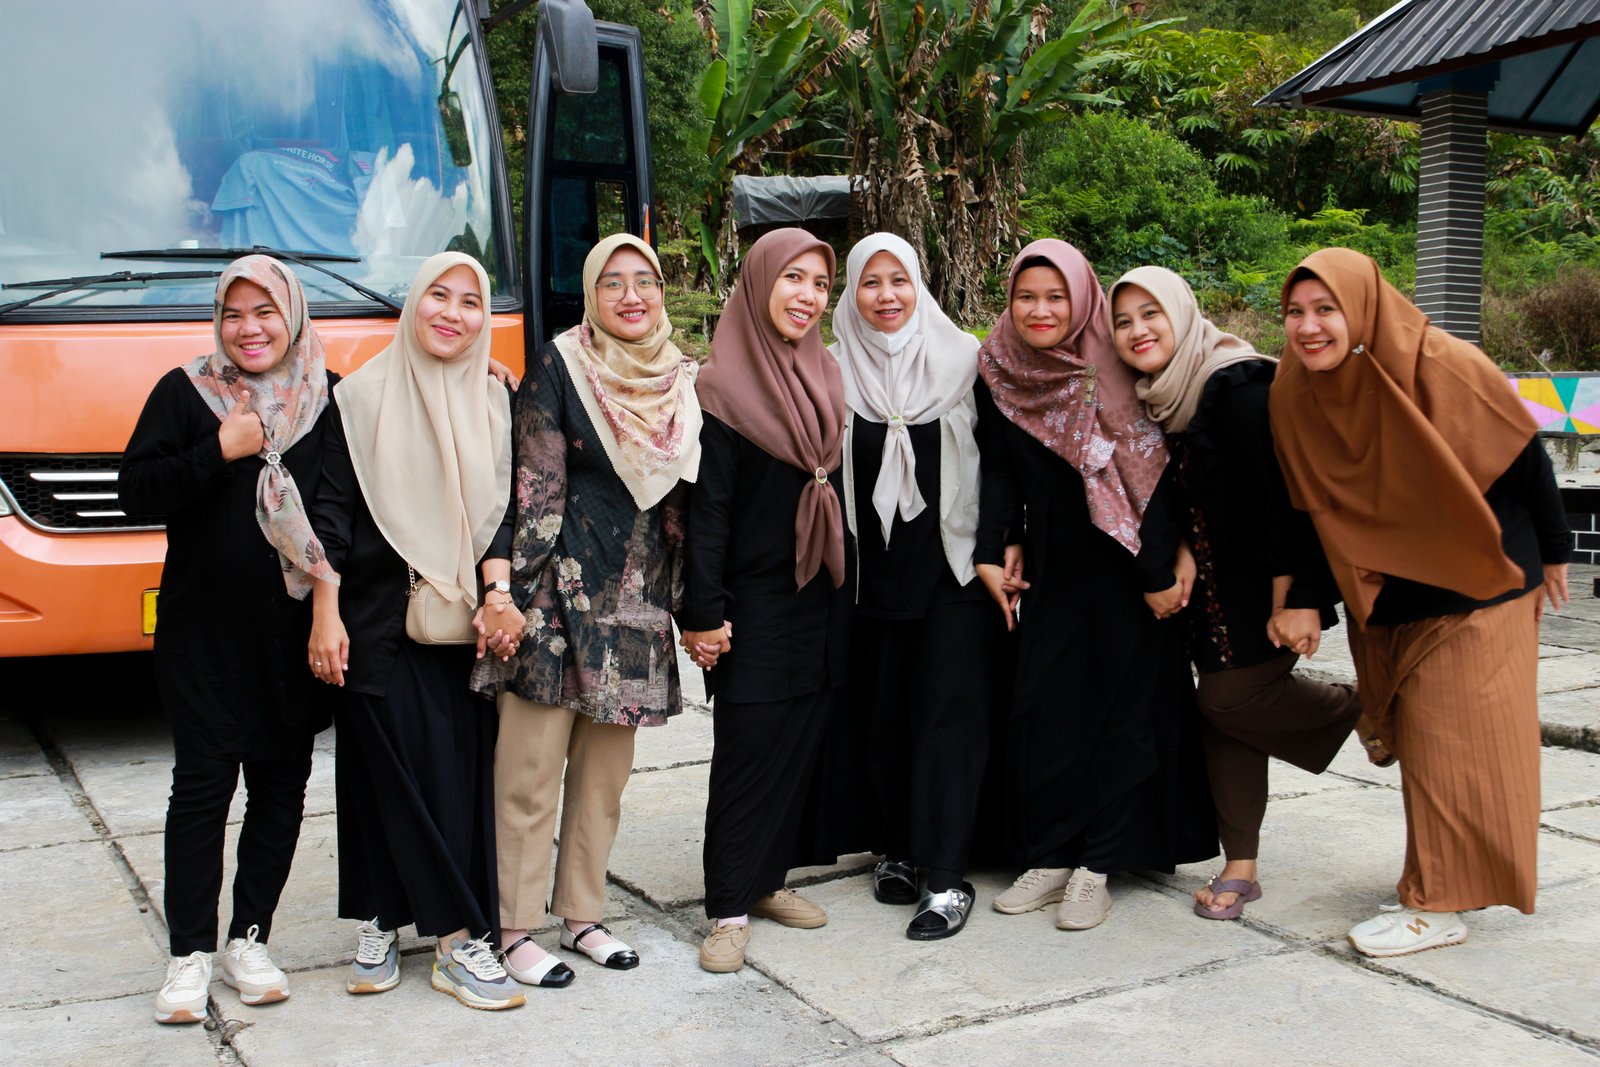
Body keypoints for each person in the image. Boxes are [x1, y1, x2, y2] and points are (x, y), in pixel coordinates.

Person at [1268, 247, 1570, 957]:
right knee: (1423, 743)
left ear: (1363, 307)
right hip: (1388, 591)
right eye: (1295, 312)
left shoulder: (1440, 363)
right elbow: (1309, 508)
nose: (1308, 327)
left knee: (1453, 742)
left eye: (1326, 309)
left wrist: (1556, 550)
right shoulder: (1295, 391)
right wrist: (1306, 598)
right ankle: (1438, 879)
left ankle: (1436, 905)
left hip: (1480, 577)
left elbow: (1524, 456)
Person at [472, 234, 700, 987]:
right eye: (614, 283)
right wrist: (512, 598)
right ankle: (512, 928)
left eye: (646, 281)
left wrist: (689, 606)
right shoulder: (561, 365)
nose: (632, 296)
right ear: (591, 294)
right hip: (555, 601)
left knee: (603, 781)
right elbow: (534, 487)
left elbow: (683, 510)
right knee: (529, 775)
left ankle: (582, 915)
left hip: (636, 610)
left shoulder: (679, 381)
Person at [1107, 265, 1364, 922]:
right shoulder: (1163, 395)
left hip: (1261, 584)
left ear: (1182, 314)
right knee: (1226, 715)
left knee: (1226, 700)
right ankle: (1240, 865)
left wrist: (1296, 598)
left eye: (1151, 314)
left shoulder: (1237, 388)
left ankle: (1365, 710)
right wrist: (1182, 550)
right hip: (1211, 587)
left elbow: (1289, 501)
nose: (1137, 331)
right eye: (1123, 320)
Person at [975, 239, 1216, 931]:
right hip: (1054, 567)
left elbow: (1156, 471)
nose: (1040, 310)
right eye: (1027, 296)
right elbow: (998, 467)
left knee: (1125, 717)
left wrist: (1157, 571)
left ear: (1083, 299)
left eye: (1056, 297)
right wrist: (995, 545)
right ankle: (1051, 854)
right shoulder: (998, 366)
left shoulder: (1117, 362)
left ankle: (1099, 865)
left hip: (1132, 568)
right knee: (1048, 711)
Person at [122, 255, 338, 1024]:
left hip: (291, 636)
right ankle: (189, 953)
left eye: (265, 311)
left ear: (293, 315)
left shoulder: (327, 397)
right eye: (234, 313)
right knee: (203, 788)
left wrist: (327, 605)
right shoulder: (185, 392)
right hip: (202, 635)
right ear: (218, 319)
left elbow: (343, 507)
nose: (250, 328)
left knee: (280, 786)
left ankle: (250, 937)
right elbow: (135, 491)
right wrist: (220, 449)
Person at [307, 252, 526, 1010]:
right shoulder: (357, 398)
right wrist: (324, 612)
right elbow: (330, 516)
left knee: (452, 783)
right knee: (385, 777)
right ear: (412, 302)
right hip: (373, 624)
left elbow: (502, 514)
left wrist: (496, 595)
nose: (453, 313)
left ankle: (400, 917)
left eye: (471, 301)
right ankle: (453, 936)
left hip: (459, 625)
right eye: (439, 295)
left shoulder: (494, 399)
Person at [680, 228, 851, 973]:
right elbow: (708, 514)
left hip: (820, 594)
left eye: (819, 283)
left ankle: (767, 879)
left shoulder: (826, 374)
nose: (807, 296)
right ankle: (727, 908)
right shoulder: (720, 389)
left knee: (798, 746)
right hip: (750, 604)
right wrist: (703, 613)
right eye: (793, 278)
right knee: (747, 753)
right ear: (758, 285)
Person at [828, 232, 998, 940]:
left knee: (947, 719)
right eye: (870, 282)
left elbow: (1002, 462)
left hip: (953, 573)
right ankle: (896, 847)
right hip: (870, 578)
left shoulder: (965, 362)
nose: (886, 295)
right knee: (885, 717)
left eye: (899, 280)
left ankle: (948, 875)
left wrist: (998, 549)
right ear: (851, 292)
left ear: (919, 284)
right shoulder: (832, 369)